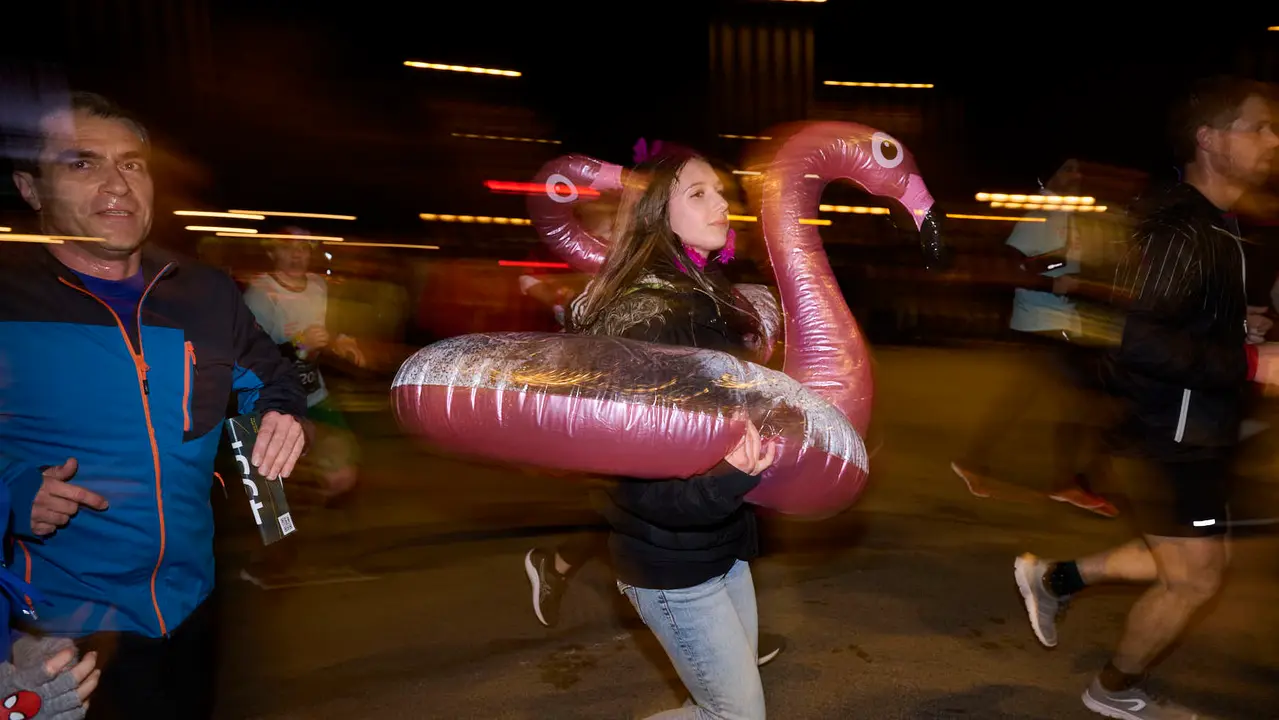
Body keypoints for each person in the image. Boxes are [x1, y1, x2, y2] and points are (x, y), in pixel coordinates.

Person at [0, 91, 307, 719]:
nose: (117, 184)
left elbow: (270, 374)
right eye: (82, 164)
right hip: (60, 632)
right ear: (30, 189)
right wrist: (9, 492)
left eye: (133, 164)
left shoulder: (203, 293)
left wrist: (283, 410)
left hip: (192, 609)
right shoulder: (8, 300)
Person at [1014, 76, 1279, 718]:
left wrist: (1240, 326)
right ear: (1210, 140)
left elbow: (1178, 321)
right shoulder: (1180, 225)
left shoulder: (1218, 224)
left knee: (1189, 556)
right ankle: (1113, 690)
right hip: (1173, 430)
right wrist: (1250, 361)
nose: (1273, 140)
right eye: (1258, 127)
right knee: (1197, 578)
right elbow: (1140, 340)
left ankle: (1054, 578)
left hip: (1197, 424)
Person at [564, 148, 776, 719]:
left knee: (713, 708)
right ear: (658, 214)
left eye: (720, 191)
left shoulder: (704, 292)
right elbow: (635, 479)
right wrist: (729, 480)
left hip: (721, 543)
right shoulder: (641, 318)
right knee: (737, 715)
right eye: (697, 193)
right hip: (669, 560)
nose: (721, 204)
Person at [951, 160, 1125, 518]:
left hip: (1062, 321)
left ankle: (974, 461)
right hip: (1044, 321)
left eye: (1080, 170)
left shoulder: (1066, 212)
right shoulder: (1042, 210)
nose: (1077, 177)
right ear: (1050, 175)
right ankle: (1066, 482)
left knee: (1032, 398)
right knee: (1085, 401)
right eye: (1068, 170)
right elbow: (1014, 263)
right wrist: (1054, 280)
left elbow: (1059, 262)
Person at [240, 229, 366, 586]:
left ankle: (298, 509)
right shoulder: (260, 295)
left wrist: (341, 340)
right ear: (273, 252)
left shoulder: (318, 287)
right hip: (273, 400)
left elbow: (324, 331)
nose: (296, 255)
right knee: (272, 493)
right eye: (287, 248)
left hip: (314, 393)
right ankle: (268, 555)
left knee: (344, 475)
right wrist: (296, 345)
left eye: (303, 248)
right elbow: (251, 357)